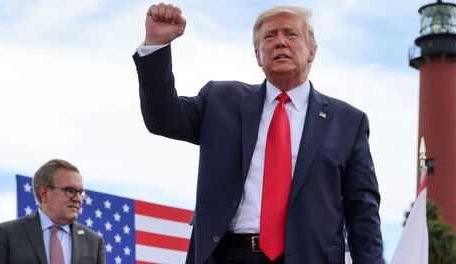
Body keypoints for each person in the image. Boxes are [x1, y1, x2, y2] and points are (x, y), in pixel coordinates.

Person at [133, 3, 382, 263]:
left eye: (291, 34)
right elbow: (163, 119)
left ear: (312, 52)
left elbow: (363, 212)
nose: (280, 42)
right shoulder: (220, 100)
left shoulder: (348, 123)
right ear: (258, 55)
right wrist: (157, 45)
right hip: (228, 255)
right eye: (270, 36)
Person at [0, 159, 105, 264]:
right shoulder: (8, 234)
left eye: (80, 193)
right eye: (70, 190)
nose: (77, 199)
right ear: (44, 193)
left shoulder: (94, 241)